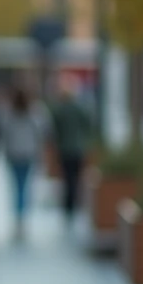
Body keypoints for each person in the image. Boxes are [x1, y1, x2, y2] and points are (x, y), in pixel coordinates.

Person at [0, 84, 49, 239]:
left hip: (13, 154)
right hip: (28, 154)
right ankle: (22, 217)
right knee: (25, 187)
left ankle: (19, 217)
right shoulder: (36, 111)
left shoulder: (8, 113)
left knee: (16, 186)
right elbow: (44, 131)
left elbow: (2, 133)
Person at [49, 73, 93, 225]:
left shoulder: (59, 110)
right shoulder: (79, 108)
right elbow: (88, 124)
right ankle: (75, 204)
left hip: (64, 149)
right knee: (76, 177)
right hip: (78, 148)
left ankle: (69, 206)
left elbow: (54, 130)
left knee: (67, 178)